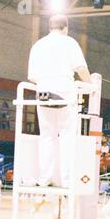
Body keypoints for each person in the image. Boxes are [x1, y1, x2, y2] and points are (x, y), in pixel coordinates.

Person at [28, 14, 91, 188]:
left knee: (47, 136)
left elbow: (32, 77)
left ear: (50, 27)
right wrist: (92, 86)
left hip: (43, 93)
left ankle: (45, 178)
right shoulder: (70, 42)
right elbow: (81, 68)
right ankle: (67, 180)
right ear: (66, 28)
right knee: (67, 136)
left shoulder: (38, 45)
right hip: (65, 92)